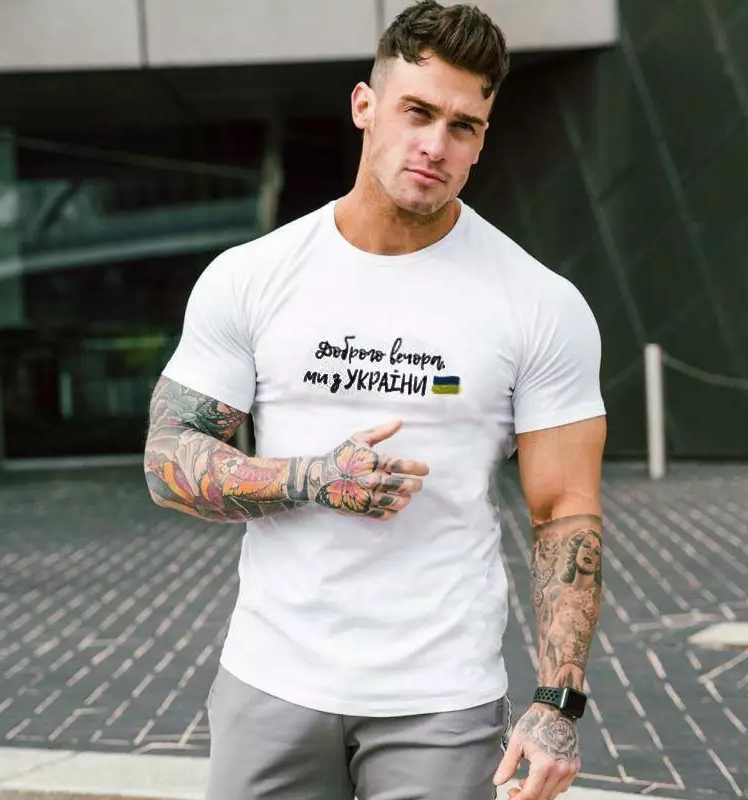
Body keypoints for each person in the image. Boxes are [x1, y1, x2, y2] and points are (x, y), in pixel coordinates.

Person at [143, 2, 606, 799]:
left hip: (441, 693)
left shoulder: (538, 302)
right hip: (273, 677)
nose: (435, 145)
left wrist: (557, 702)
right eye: (416, 112)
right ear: (365, 105)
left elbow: (564, 508)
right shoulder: (251, 276)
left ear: (482, 140)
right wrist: (313, 479)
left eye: (463, 126)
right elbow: (167, 459)